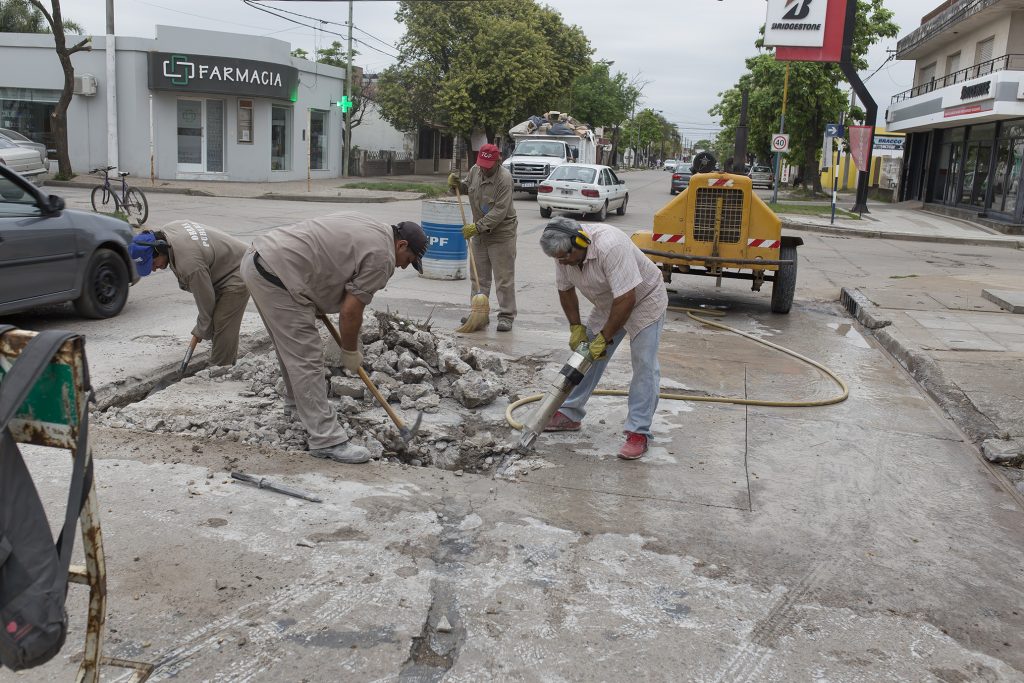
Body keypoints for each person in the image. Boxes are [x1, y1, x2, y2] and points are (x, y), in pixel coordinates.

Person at [239, 213, 427, 465]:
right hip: (278, 273)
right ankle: (326, 440)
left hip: (261, 259)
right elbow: (350, 312)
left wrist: (314, 291)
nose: (403, 266)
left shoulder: (375, 228)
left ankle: (296, 406)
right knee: (306, 355)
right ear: (401, 245)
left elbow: (329, 255)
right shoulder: (383, 258)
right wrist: (349, 352)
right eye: (409, 260)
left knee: (291, 347)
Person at [538, 216, 668, 460]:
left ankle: (638, 432)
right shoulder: (562, 253)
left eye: (565, 256)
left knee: (644, 364)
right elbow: (565, 290)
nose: (562, 261)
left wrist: (604, 338)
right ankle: (569, 413)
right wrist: (576, 327)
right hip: (609, 302)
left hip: (643, 300)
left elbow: (627, 299)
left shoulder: (611, 245)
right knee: (585, 357)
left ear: (581, 242)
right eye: (558, 258)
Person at [130, 221, 250, 366]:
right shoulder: (169, 230)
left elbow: (206, 306)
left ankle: (220, 370)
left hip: (240, 270)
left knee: (221, 322)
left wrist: (201, 328)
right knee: (217, 324)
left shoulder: (189, 264)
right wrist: (204, 327)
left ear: (160, 248)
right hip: (223, 267)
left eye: (152, 263)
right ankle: (226, 358)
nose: (154, 269)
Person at [447, 142, 518, 332]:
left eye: (488, 167)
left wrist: (476, 228)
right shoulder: (475, 171)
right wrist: (456, 185)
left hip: (501, 234)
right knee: (478, 278)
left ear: (498, 161)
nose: (484, 170)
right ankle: (479, 314)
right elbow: (466, 189)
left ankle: (506, 316)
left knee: (504, 278)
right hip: (479, 233)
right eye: (482, 166)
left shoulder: (505, 179)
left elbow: (499, 211)